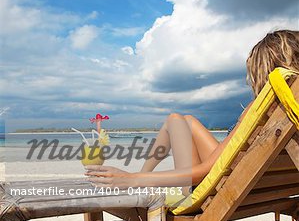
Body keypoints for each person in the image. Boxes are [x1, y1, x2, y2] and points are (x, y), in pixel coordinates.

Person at [86, 30, 299, 195]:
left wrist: (132, 179)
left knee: (174, 119)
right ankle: (144, 172)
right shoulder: (290, 107)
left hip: (219, 188)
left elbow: (206, 171)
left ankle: (143, 174)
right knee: (182, 119)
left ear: (261, 70)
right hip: (262, 187)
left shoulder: (264, 106)